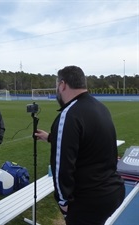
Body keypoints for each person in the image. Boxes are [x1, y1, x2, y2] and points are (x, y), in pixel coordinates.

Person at [35, 65, 125, 225]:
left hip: (89, 200)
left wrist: (63, 203)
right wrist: (50, 138)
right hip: (113, 191)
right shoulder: (100, 107)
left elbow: (61, 167)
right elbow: (90, 142)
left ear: (62, 84)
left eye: (57, 85)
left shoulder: (69, 114)